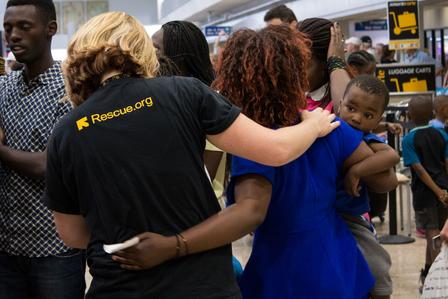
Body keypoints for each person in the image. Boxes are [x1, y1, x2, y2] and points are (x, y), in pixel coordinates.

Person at [44, 12, 339, 299]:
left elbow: (71, 233)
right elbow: (276, 150)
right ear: (140, 49)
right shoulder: (184, 92)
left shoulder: (67, 130)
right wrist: (313, 125)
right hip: (201, 284)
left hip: (119, 285)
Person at [214, 26, 399, 299]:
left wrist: (178, 244)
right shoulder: (326, 124)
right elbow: (387, 180)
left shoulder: (250, 141)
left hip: (283, 271)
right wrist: (355, 170)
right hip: (338, 262)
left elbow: (249, 213)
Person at [0, 1, 85, 298]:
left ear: (51, 29)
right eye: (8, 28)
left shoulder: (71, 91)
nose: (13, 36)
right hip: (7, 246)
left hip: (54, 249)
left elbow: (49, 167)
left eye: (24, 27)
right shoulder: (5, 87)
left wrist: (1, 151)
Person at [337, 75, 399, 299]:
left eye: (368, 115)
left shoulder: (367, 138)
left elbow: (391, 156)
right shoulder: (329, 126)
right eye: (351, 108)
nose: (356, 118)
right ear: (340, 103)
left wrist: (356, 171)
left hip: (351, 217)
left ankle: (381, 293)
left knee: (377, 265)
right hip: (321, 213)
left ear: (377, 119)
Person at [402, 96, 448, 290]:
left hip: (425, 194)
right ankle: (428, 271)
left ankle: (436, 280)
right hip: (444, 192)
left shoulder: (408, 138)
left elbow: (419, 170)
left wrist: (437, 191)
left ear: (409, 116)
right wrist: (443, 190)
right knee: (436, 235)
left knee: (433, 236)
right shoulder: (442, 135)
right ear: (431, 114)